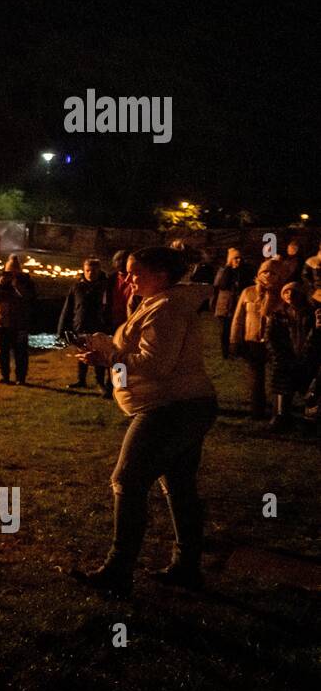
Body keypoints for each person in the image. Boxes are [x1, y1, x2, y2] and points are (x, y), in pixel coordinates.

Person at [71, 247, 217, 596]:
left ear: (161, 275)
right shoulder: (157, 303)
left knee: (127, 481)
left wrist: (108, 359)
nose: (128, 278)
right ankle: (186, 567)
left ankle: (118, 570)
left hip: (170, 407)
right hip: (188, 404)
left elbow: (155, 364)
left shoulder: (166, 309)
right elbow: (139, 348)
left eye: (136, 272)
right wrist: (104, 343)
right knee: (179, 485)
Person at [230, 259, 284, 420]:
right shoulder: (249, 292)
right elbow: (238, 318)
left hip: (275, 342)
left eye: (272, 272)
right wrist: (234, 340)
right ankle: (257, 411)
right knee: (255, 378)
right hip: (252, 341)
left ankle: (279, 412)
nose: (268, 275)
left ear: (279, 275)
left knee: (278, 379)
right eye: (265, 272)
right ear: (259, 273)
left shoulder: (284, 293)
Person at [264, 282, 318, 431]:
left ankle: (310, 419)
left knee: (310, 389)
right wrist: (278, 356)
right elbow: (270, 337)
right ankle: (281, 416)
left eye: (293, 292)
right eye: (286, 292)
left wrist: (309, 354)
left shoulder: (311, 314)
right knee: (282, 388)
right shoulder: (278, 314)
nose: (290, 296)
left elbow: (315, 335)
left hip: (307, 357)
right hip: (284, 358)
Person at [58, 257, 112, 395]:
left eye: (93, 270)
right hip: (81, 325)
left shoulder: (105, 286)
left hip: (98, 326)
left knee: (98, 355)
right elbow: (69, 307)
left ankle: (100, 382)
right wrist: (62, 327)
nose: (90, 273)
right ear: (84, 270)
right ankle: (81, 379)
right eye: (88, 270)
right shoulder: (77, 287)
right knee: (82, 353)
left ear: (99, 270)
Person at [0, 254, 36, 385]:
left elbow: (29, 298)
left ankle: (21, 378)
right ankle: (4, 376)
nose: (12, 274)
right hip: (0, 322)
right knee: (1, 351)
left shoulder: (26, 282)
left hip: (19, 323)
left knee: (20, 352)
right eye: (9, 271)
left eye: (14, 271)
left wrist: (17, 284)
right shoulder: (0, 283)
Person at [212, 248, 251, 358]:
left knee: (237, 328)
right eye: (235, 258)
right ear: (230, 259)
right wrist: (229, 269)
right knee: (225, 329)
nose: (238, 260)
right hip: (225, 304)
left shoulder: (243, 271)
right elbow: (221, 285)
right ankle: (225, 352)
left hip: (237, 304)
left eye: (239, 258)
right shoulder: (225, 270)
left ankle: (237, 351)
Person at [107, 249, 133, 329]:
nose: (121, 262)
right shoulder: (109, 280)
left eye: (124, 259)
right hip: (111, 322)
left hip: (129, 321)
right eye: (118, 260)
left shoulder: (136, 280)